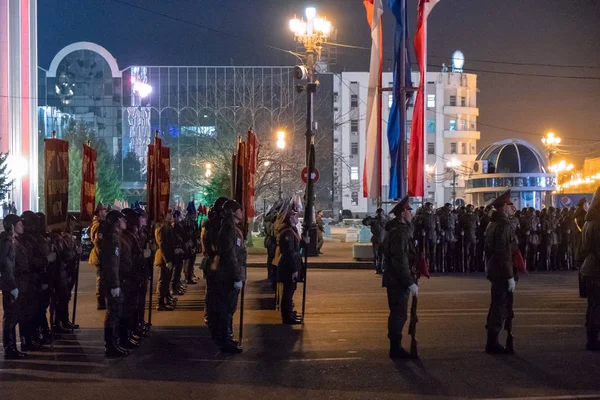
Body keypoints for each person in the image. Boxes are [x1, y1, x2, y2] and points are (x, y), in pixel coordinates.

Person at [382, 196, 417, 359]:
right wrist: (409, 282)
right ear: (402, 213)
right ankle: (395, 349)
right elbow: (400, 259)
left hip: (395, 279)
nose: (412, 213)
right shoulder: (400, 233)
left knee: (397, 313)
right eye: (409, 210)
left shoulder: (398, 230)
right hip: (397, 280)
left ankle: (395, 347)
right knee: (399, 314)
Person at [484, 190, 518, 355]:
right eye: (511, 204)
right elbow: (504, 252)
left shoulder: (493, 223)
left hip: (495, 269)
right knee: (500, 306)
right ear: (504, 207)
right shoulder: (504, 224)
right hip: (501, 271)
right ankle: (493, 342)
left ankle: (492, 339)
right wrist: (510, 276)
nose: (514, 207)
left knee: (496, 304)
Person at [214, 200, 246, 353]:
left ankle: (227, 337)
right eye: (239, 210)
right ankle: (225, 340)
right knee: (226, 309)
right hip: (228, 275)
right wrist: (237, 277)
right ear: (233, 212)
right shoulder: (229, 229)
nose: (242, 212)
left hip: (231, 273)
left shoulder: (232, 228)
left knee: (229, 309)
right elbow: (231, 255)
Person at [1, 215, 27, 359]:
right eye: (19, 224)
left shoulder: (11, 241)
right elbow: (6, 265)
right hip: (9, 285)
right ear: (12, 226)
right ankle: (9, 348)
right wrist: (12, 286)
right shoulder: (7, 242)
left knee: (12, 316)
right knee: (10, 318)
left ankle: (11, 348)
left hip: (12, 284)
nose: (22, 226)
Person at [201, 197, 228, 333]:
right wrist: (215, 255)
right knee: (212, 291)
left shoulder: (225, 224)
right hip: (213, 261)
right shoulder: (212, 225)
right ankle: (210, 315)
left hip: (221, 262)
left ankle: (216, 317)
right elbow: (208, 244)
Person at [119, 208, 145, 349]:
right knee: (124, 309)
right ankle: (122, 337)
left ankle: (129, 332)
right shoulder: (123, 238)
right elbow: (126, 258)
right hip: (126, 277)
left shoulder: (132, 235)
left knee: (131, 306)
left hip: (134, 275)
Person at [276, 197, 303, 325]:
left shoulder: (292, 230)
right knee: (287, 293)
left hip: (293, 265)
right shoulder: (287, 232)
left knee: (290, 292)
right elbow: (289, 253)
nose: (296, 217)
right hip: (288, 267)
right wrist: (293, 270)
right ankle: (286, 316)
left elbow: (296, 248)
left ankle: (289, 313)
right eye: (293, 215)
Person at [580, 188, 600, 351]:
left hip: (589, 266)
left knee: (593, 305)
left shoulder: (589, 220)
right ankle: (593, 339)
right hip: (597, 268)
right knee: (597, 305)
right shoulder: (598, 222)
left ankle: (591, 336)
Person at [154, 211, 179, 311]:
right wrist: (167, 260)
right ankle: (160, 303)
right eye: (169, 214)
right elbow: (162, 244)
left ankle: (165, 299)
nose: (171, 216)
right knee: (162, 281)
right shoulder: (162, 227)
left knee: (166, 280)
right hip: (164, 257)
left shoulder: (167, 226)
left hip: (169, 256)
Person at [89, 202, 108, 310]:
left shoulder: (101, 223)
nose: (105, 212)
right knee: (101, 279)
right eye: (104, 210)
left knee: (103, 278)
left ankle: (102, 300)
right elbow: (98, 242)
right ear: (100, 212)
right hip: (100, 255)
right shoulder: (98, 225)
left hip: (101, 255)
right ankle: (100, 301)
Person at [362, 208, 388, 274]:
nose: (380, 214)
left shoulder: (385, 221)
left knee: (382, 255)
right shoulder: (374, 220)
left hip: (383, 240)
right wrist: (369, 217)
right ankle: (377, 268)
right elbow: (365, 222)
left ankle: (380, 268)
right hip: (376, 240)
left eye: (381, 213)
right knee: (376, 255)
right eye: (379, 213)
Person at [574, 198, 589, 298]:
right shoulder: (583, 216)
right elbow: (584, 231)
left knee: (582, 270)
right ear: (584, 205)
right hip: (583, 245)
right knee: (584, 270)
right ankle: (584, 291)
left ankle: (583, 291)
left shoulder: (577, 216)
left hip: (579, 244)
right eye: (587, 203)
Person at [184, 202, 200, 285]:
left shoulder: (193, 222)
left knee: (191, 261)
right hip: (189, 244)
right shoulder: (188, 221)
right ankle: (188, 277)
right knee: (189, 261)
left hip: (193, 243)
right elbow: (188, 234)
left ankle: (189, 276)